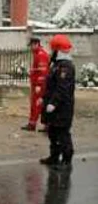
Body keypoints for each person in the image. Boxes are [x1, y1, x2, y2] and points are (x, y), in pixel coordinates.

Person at [40, 34, 75, 171]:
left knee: (62, 133)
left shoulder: (65, 67)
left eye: (53, 49)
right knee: (53, 132)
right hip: (54, 106)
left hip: (62, 107)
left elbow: (62, 88)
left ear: (58, 50)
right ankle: (54, 156)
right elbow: (50, 85)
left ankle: (66, 159)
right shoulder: (57, 65)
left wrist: (53, 103)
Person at [21, 37, 50, 132]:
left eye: (32, 45)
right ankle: (44, 124)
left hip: (39, 85)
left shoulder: (40, 55)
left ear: (37, 44)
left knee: (36, 105)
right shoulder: (38, 54)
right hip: (37, 84)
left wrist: (39, 84)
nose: (31, 47)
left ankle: (33, 124)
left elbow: (43, 71)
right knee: (39, 105)